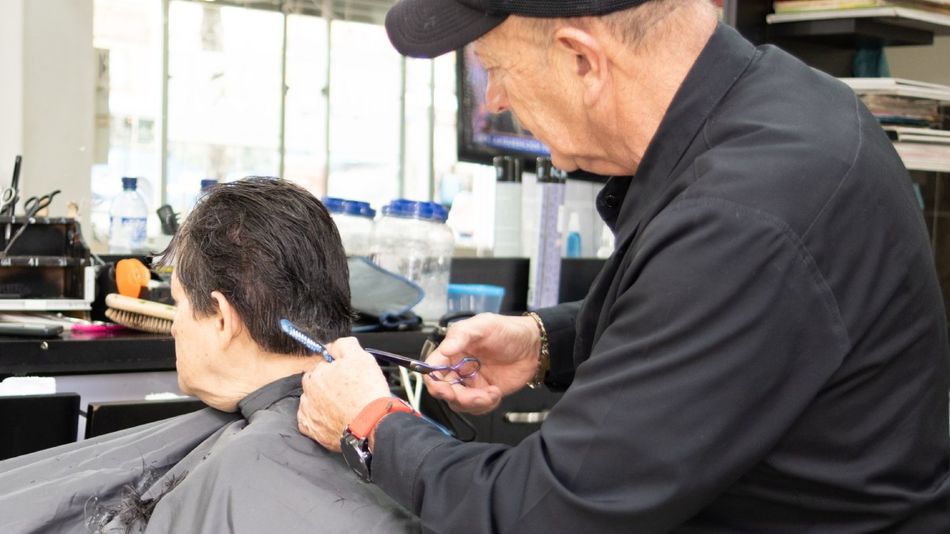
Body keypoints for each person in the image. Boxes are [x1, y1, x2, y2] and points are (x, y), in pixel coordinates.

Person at [297, 0, 950, 532]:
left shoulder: (744, 216)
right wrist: (546, 340)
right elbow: (705, 312)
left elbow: (539, 515)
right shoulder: (788, 106)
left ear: (584, 59)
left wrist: (372, 424)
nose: (493, 98)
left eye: (495, 67)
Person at [0, 177, 419, 533]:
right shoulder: (426, 460)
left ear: (221, 317)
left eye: (179, 303)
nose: (176, 324)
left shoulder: (245, 472)